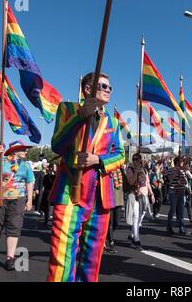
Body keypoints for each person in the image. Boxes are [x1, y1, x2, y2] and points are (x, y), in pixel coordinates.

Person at [47, 72, 125, 282]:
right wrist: (80, 116)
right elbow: (57, 144)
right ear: (88, 89)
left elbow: (120, 155)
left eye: (110, 87)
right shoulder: (68, 109)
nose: (108, 90)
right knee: (62, 254)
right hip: (70, 190)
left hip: (101, 196)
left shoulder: (114, 123)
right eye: (103, 86)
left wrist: (98, 160)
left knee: (92, 257)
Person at [0, 141, 35, 270]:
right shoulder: (2, 161)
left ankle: (10, 258)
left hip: (18, 199)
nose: (26, 151)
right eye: (23, 149)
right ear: (14, 151)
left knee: (14, 228)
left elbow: (30, 182)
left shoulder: (26, 165)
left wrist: (29, 200)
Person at [125, 153, 155, 251]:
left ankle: (132, 234)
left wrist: (151, 193)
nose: (136, 161)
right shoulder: (130, 169)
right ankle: (136, 240)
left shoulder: (143, 169)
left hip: (142, 194)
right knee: (135, 217)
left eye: (137, 159)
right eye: (134, 159)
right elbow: (130, 181)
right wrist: (136, 172)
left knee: (141, 215)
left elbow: (146, 183)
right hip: (133, 194)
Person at [164, 157, 191, 236]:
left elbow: (185, 181)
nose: (183, 163)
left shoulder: (183, 171)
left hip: (181, 192)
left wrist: (185, 174)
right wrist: (176, 171)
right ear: (177, 162)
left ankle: (181, 228)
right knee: (172, 210)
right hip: (173, 192)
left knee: (181, 211)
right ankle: (169, 227)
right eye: (181, 162)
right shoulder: (171, 169)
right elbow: (170, 179)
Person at [105, 168, 125, 253]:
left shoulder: (121, 170)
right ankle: (111, 242)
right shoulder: (107, 169)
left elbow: (127, 183)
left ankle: (106, 236)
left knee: (116, 221)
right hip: (109, 199)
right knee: (110, 222)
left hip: (119, 200)